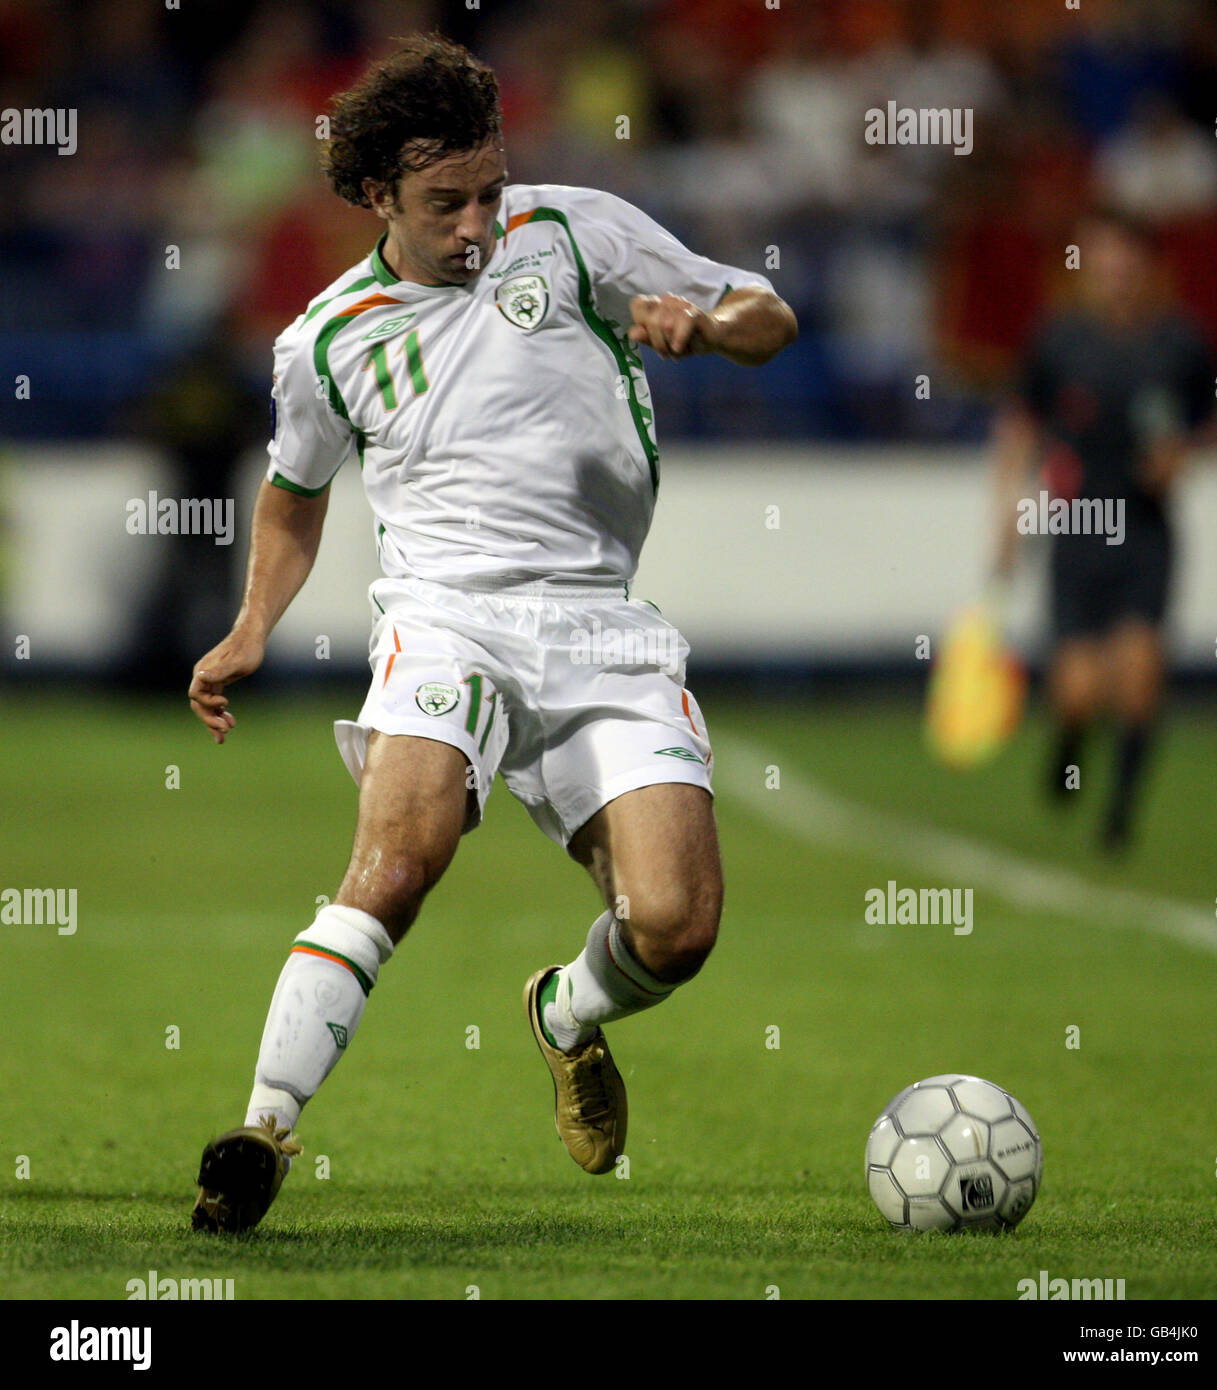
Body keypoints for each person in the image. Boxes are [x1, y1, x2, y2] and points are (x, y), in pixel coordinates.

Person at [186, 33, 797, 1233]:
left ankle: (565, 1013)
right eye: (442, 202)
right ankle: (261, 1129)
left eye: (486, 190)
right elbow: (295, 494)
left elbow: (767, 308)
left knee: (674, 928)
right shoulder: (325, 342)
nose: (476, 224)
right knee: (398, 859)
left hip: (604, 627)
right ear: (376, 198)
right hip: (445, 618)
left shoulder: (573, 232)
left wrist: (715, 330)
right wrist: (252, 623)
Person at [992, 208, 1217, 851]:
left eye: (1126, 263)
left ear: (1146, 269)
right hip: (1077, 531)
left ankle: (1119, 820)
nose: (1115, 276)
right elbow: (1020, 423)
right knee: (1076, 692)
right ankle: (1067, 750)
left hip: (1147, 533)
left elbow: (1212, 416)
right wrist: (1011, 509)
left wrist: (1182, 453)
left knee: (1140, 675)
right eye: (1101, 262)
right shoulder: (1060, 340)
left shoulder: (1180, 342)